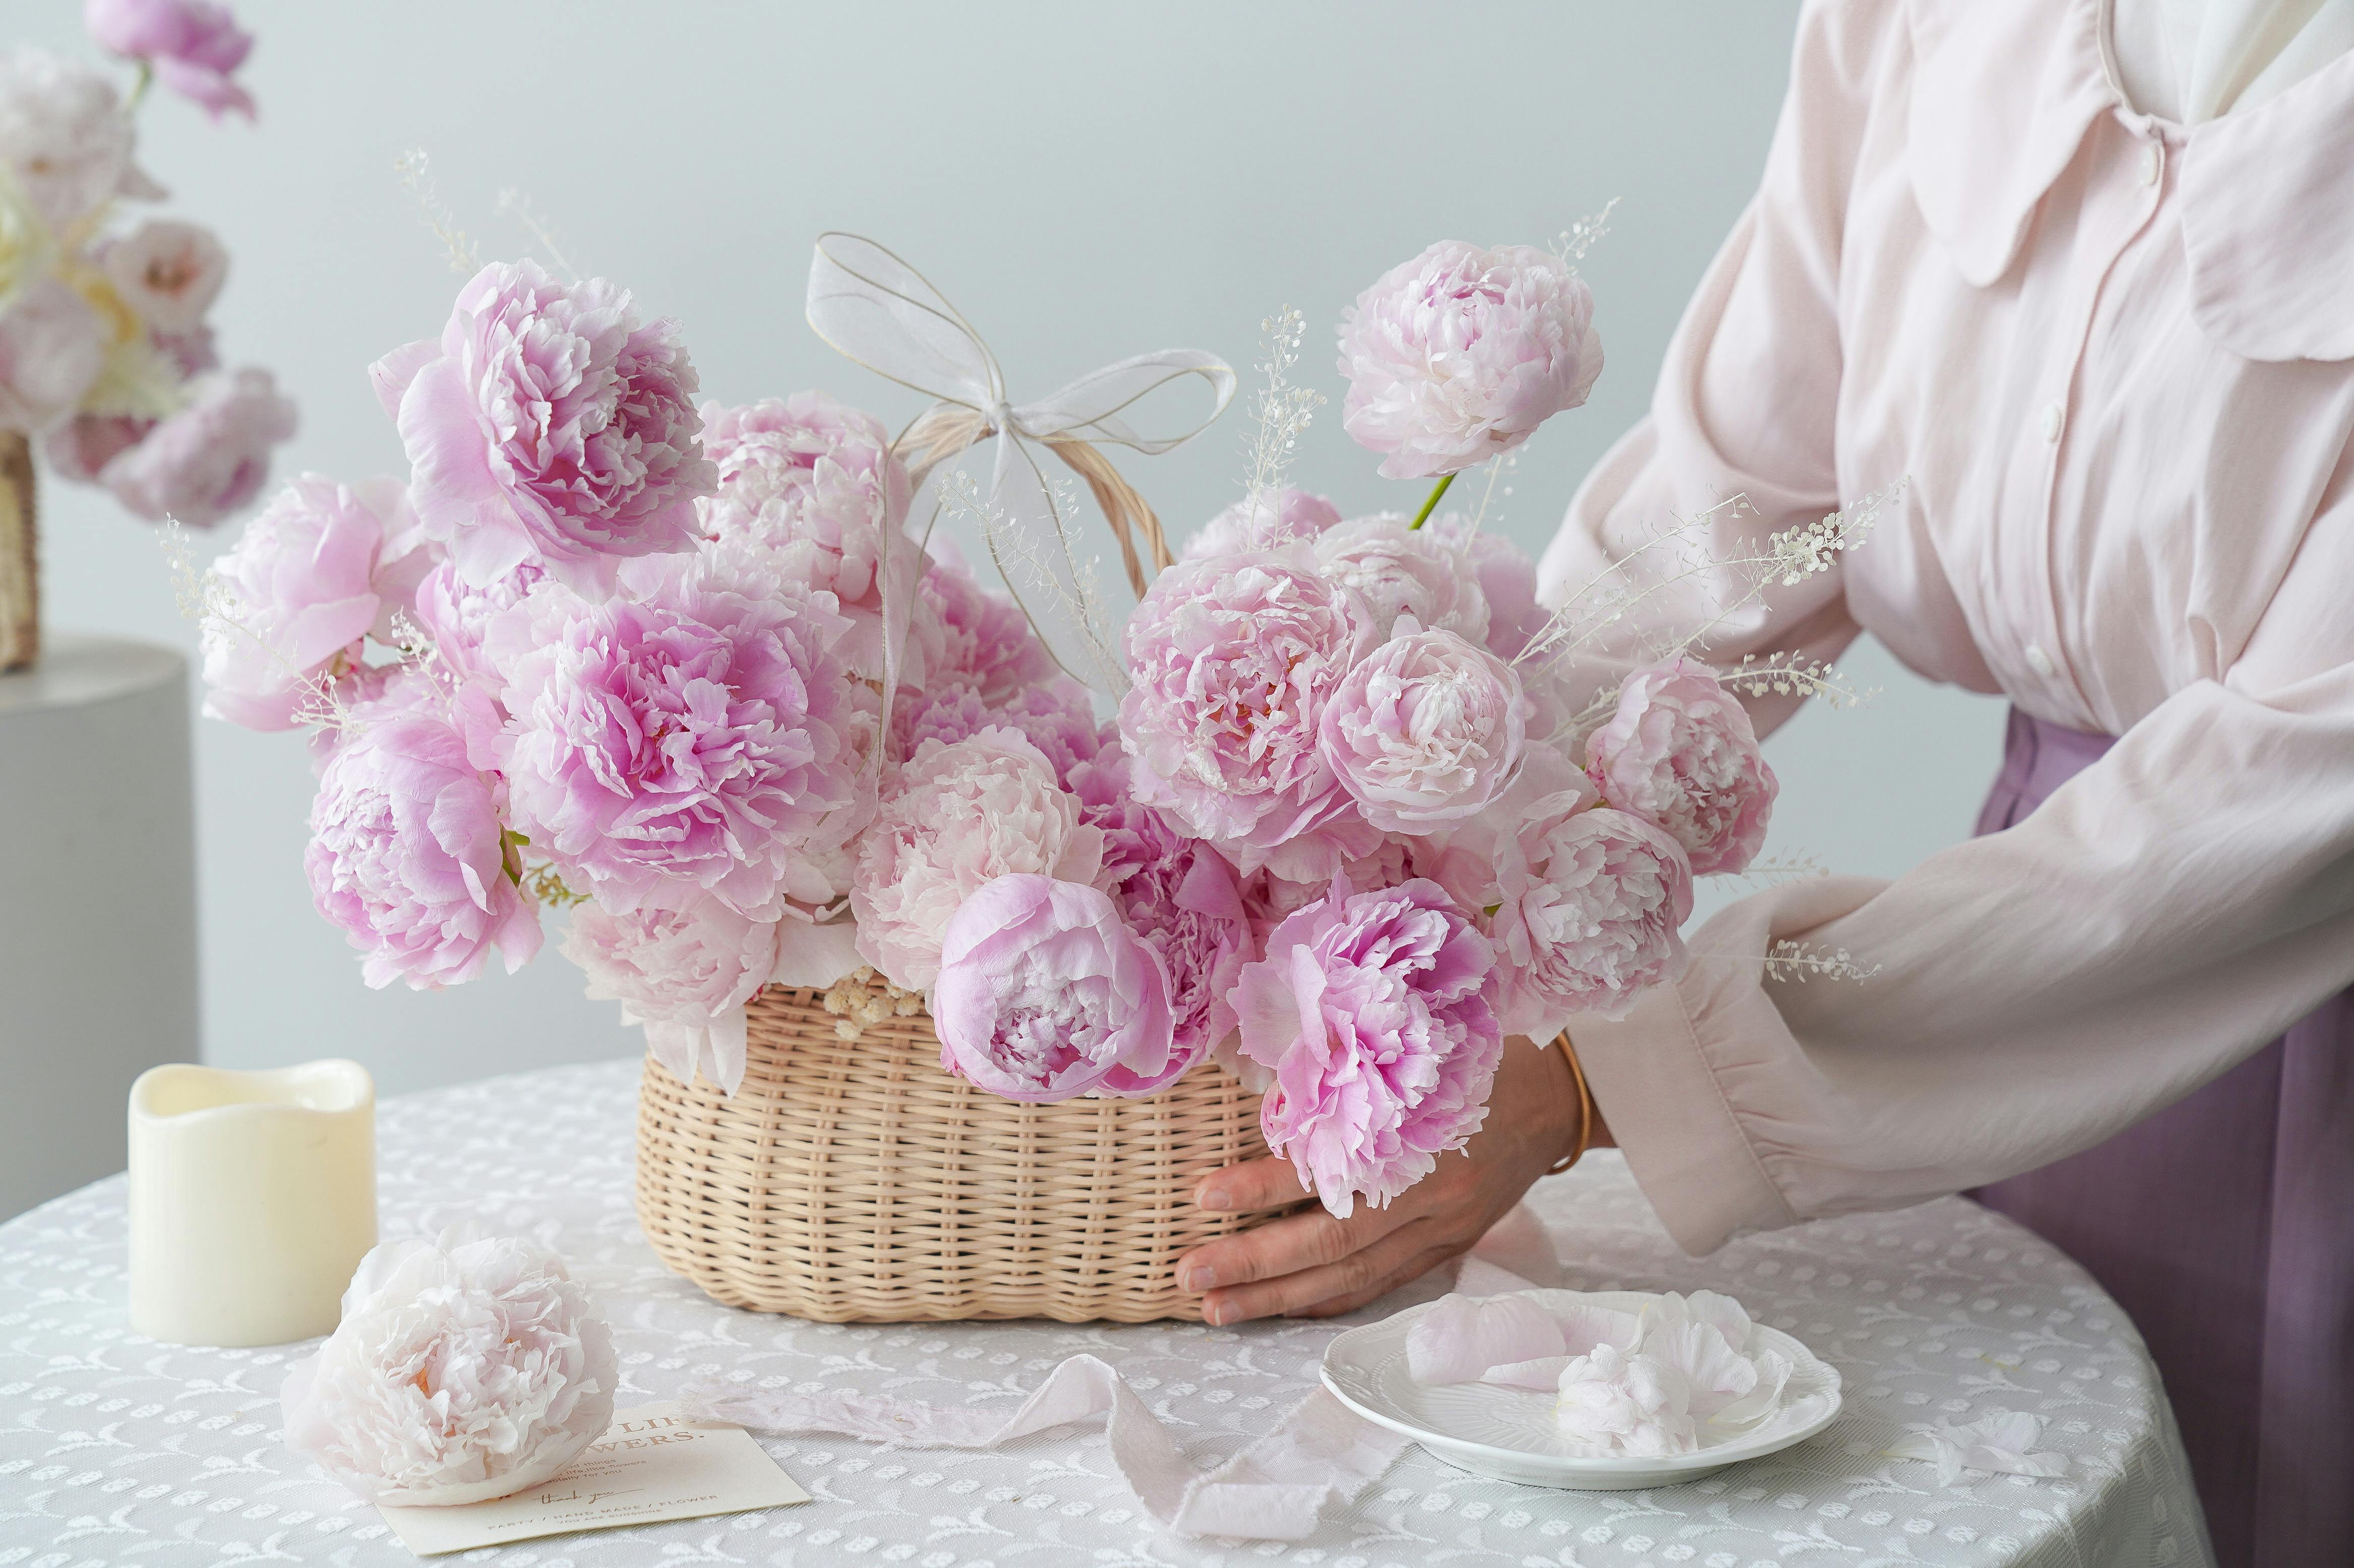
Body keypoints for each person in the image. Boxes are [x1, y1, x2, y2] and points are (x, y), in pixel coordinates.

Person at [1173, 3, 2354, 1563]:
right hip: (1995, 1002)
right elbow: (1732, 523)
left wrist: (1604, 1076)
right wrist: (1378, 816)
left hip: (2260, 990)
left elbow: (2263, 810)